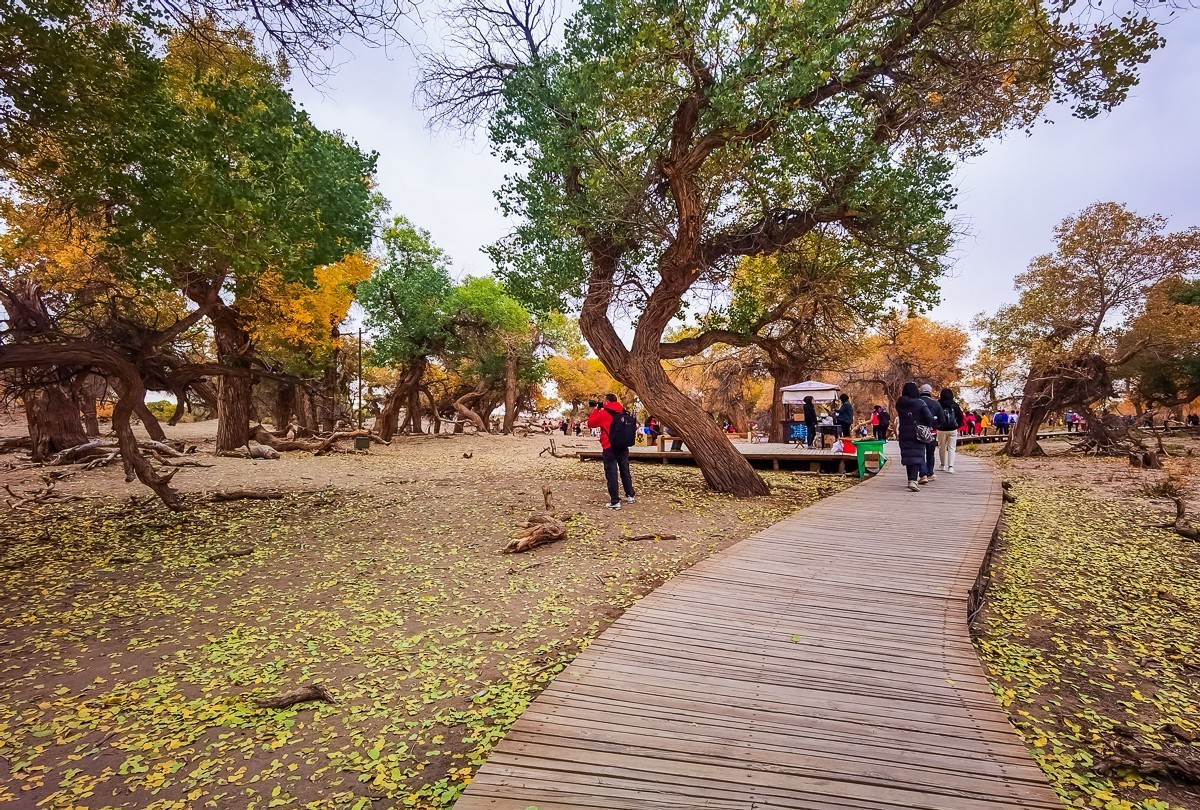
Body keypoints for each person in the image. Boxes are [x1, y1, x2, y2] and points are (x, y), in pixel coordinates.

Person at [586, 394, 636, 509]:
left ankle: (615, 501)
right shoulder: (623, 411)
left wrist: (596, 409)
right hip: (623, 445)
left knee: (611, 472)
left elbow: (591, 423)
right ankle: (630, 495)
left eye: (604, 401)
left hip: (609, 446)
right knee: (625, 470)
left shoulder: (604, 413)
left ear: (607, 401)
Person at [897, 382, 935, 492]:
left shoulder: (900, 403)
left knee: (908, 456)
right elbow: (929, 418)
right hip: (917, 433)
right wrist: (925, 424)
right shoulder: (920, 403)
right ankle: (913, 481)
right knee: (917, 455)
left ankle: (910, 479)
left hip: (904, 432)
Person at [917, 384, 943, 483]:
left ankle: (923, 474)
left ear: (920, 391)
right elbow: (942, 419)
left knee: (920, 452)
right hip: (932, 432)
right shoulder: (936, 404)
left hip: (919, 432)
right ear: (930, 392)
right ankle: (930, 473)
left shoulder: (917, 402)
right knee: (930, 453)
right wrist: (935, 426)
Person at [936, 388, 964, 474]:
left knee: (942, 447)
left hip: (941, 429)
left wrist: (936, 425)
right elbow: (960, 417)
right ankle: (951, 466)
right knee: (952, 448)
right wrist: (957, 426)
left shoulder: (938, 404)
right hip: (952, 429)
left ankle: (942, 465)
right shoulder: (955, 405)